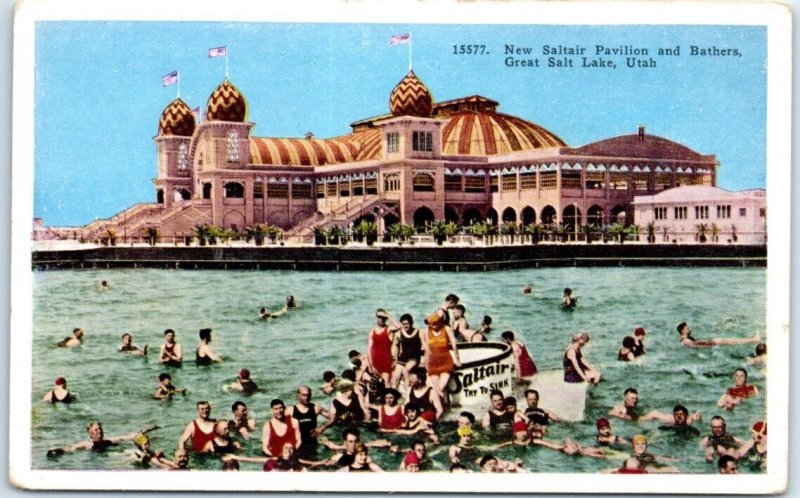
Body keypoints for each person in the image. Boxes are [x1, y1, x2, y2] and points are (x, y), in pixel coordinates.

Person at [46, 421, 157, 456]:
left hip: (109, 455)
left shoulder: (108, 440)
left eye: (100, 429)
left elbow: (126, 437)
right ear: (90, 433)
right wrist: (57, 450)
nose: (99, 431)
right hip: (96, 460)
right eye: (96, 430)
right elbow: (71, 448)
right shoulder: (87, 443)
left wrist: (147, 430)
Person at [420, 311, 461, 398]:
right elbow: (427, 348)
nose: (433, 325)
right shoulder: (427, 329)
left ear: (440, 321)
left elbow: (454, 343)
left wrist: (457, 358)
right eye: (431, 324)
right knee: (437, 389)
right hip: (432, 363)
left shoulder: (446, 328)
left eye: (435, 323)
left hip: (446, 362)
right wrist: (424, 361)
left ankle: (439, 408)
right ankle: (444, 406)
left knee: (440, 388)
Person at [286, 385, 328, 458]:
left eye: (308, 395)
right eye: (304, 395)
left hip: (312, 445)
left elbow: (333, 417)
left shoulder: (316, 408)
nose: (306, 397)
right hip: (297, 446)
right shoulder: (290, 411)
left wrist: (321, 429)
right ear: (298, 395)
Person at [367, 309, 400, 385]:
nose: (381, 319)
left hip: (386, 360)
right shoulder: (372, 332)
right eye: (379, 316)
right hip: (375, 361)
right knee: (377, 383)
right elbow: (368, 349)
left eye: (383, 317)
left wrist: (388, 315)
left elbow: (398, 326)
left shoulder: (388, 329)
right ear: (376, 318)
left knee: (386, 382)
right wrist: (371, 365)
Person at [390, 314, 423, 389]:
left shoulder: (418, 332)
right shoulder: (399, 333)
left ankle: (408, 393)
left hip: (414, 358)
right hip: (403, 358)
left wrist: (423, 360)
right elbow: (397, 347)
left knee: (405, 370)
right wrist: (396, 361)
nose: (405, 326)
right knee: (395, 376)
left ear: (411, 323)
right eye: (403, 324)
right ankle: (393, 395)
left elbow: (424, 346)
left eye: (407, 324)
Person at [676, 322, 760, 348]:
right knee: (729, 341)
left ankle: (751, 339)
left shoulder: (684, 340)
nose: (690, 329)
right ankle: (752, 340)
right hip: (710, 344)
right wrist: (710, 345)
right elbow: (695, 346)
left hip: (709, 343)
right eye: (687, 328)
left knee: (729, 341)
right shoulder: (686, 341)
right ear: (683, 330)